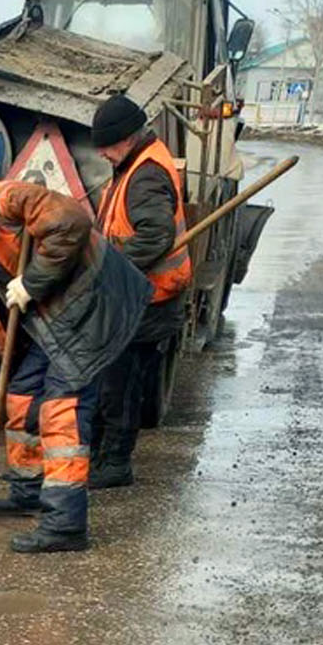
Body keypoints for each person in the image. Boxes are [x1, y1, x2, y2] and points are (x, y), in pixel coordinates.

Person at [0, 175, 150, 553]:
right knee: (19, 394)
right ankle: (28, 489)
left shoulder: (8, 200)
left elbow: (72, 222)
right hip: (53, 319)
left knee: (61, 410)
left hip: (93, 307)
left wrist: (32, 282)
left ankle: (66, 523)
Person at [88, 94, 193, 489]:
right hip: (141, 295)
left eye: (106, 145)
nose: (102, 154)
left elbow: (155, 236)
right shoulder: (136, 163)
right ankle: (103, 455)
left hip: (150, 300)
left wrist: (106, 263)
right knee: (114, 382)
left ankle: (115, 464)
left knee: (122, 386)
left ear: (126, 138)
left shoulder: (146, 175)